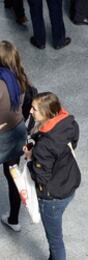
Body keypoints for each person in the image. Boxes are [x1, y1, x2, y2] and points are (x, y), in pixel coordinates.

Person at [24, 92, 80, 260]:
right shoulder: (69, 123)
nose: (31, 112)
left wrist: (31, 159)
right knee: (54, 236)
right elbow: (71, 145)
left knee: (54, 238)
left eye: (34, 110)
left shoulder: (44, 147)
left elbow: (41, 177)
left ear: (48, 113)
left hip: (53, 196)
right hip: (68, 183)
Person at [0, 40, 29, 232]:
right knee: (13, 176)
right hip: (18, 133)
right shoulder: (21, 78)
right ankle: (14, 219)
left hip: (2, 136)